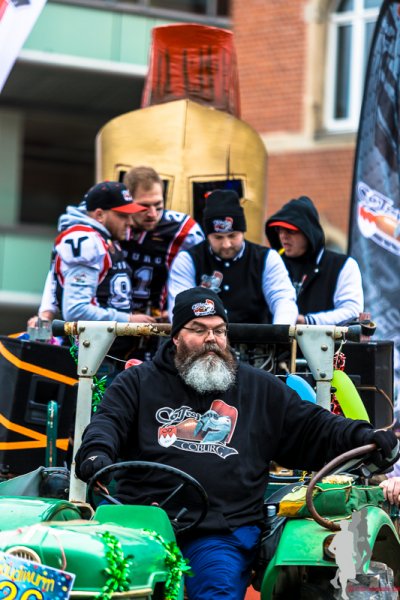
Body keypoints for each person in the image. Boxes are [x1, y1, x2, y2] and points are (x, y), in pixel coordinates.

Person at [74, 287, 398, 600]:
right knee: (106, 585)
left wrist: (365, 436)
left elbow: (315, 426)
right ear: (175, 337)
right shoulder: (136, 383)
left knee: (217, 590)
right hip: (141, 524)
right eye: (198, 329)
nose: (211, 339)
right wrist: (96, 453)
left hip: (220, 532)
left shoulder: (259, 389)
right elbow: (107, 425)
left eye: (219, 330)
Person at [167, 189, 298, 324]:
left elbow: (283, 300)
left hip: (256, 336)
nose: (226, 244)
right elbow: (180, 308)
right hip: (205, 335)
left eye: (232, 236)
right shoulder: (188, 260)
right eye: (218, 237)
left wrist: (281, 331)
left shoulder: (267, 258)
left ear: (243, 232)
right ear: (207, 235)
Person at [36, 181, 154, 326]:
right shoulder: (86, 241)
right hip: (90, 339)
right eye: (123, 215)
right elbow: (76, 311)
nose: (130, 222)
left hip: (107, 337)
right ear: (99, 215)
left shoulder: (103, 236)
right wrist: (127, 320)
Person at [265, 196, 364, 325]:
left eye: (290, 230)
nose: (283, 236)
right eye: (279, 230)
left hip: (322, 338)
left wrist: (308, 321)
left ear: (308, 231)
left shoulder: (342, 265)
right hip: (274, 338)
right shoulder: (272, 264)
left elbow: (352, 312)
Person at [122, 166, 204, 317]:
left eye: (158, 206)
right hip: (115, 319)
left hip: (161, 318)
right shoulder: (113, 222)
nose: (152, 214)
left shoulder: (183, 230)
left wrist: (180, 308)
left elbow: (203, 278)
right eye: (144, 207)